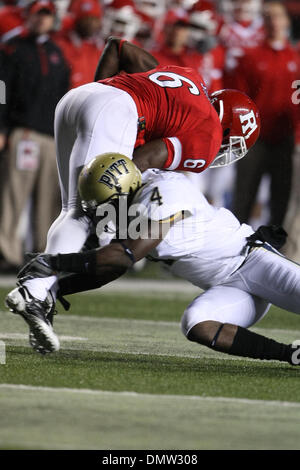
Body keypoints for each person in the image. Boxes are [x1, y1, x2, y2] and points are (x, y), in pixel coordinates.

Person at [4, 37, 260, 345]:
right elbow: (149, 157)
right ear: (228, 128)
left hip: (81, 97)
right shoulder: (207, 137)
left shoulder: (190, 77)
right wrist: (116, 192)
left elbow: (117, 47)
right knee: (87, 216)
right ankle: (34, 291)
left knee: (72, 210)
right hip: (116, 110)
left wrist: (98, 108)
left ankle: (38, 290)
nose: (224, 151)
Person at [7, 153, 300, 367]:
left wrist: (53, 263)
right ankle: (291, 355)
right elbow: (110, 269)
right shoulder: (129, 198)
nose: (106, 211)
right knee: (196, 324)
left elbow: (122, 258)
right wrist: (55, 289)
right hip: (226, 286)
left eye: (108, 202)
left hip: (252, 261)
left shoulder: (164, 192)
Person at [0, 0, 70, 272]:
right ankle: (7, 253)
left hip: (50, 136)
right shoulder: (12, 48)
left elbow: (65, 94)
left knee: (48, 200)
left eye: (47, 15)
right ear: (28, 17)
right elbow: (1, 88)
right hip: (24, 132)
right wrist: (2, 127)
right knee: (13, 195)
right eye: (38, 15)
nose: (42, 20)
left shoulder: (57, 52)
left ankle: (44, 255)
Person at [231, 1, 300, 227]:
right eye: (268, 17)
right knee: (244, 196)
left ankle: (273, 251)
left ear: (286, 22)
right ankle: (236, 250)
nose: (274, 22)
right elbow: (240, 98)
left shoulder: (296, 58)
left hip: (285, 139)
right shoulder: (250, 56)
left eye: (278, 17)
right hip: (254, 138)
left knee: (281, 199)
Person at [54, 0, 104, 90]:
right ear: (76, 19)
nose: (90, 24)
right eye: (86, 18)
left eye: (94, 19)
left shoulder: (99, 48)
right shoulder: (61, 44)